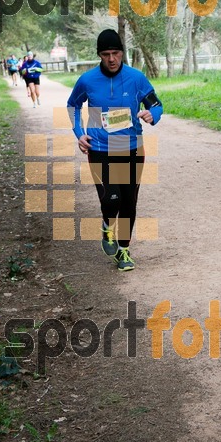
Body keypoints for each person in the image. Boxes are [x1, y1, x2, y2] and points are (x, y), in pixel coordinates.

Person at [67, 29, 163, 272]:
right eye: (106, 54)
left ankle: (124, 251)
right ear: (100, 55)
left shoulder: (136, 77)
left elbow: (156, 103)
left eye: (116, 53)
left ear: (122, 53)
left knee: (129, 201)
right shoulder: (87, 80)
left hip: (131, 148)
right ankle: (106, 226)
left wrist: (153, 114)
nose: (111, 59)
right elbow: (73, 105)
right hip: (99, 149)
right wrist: (79, 133)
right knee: (112, 199)